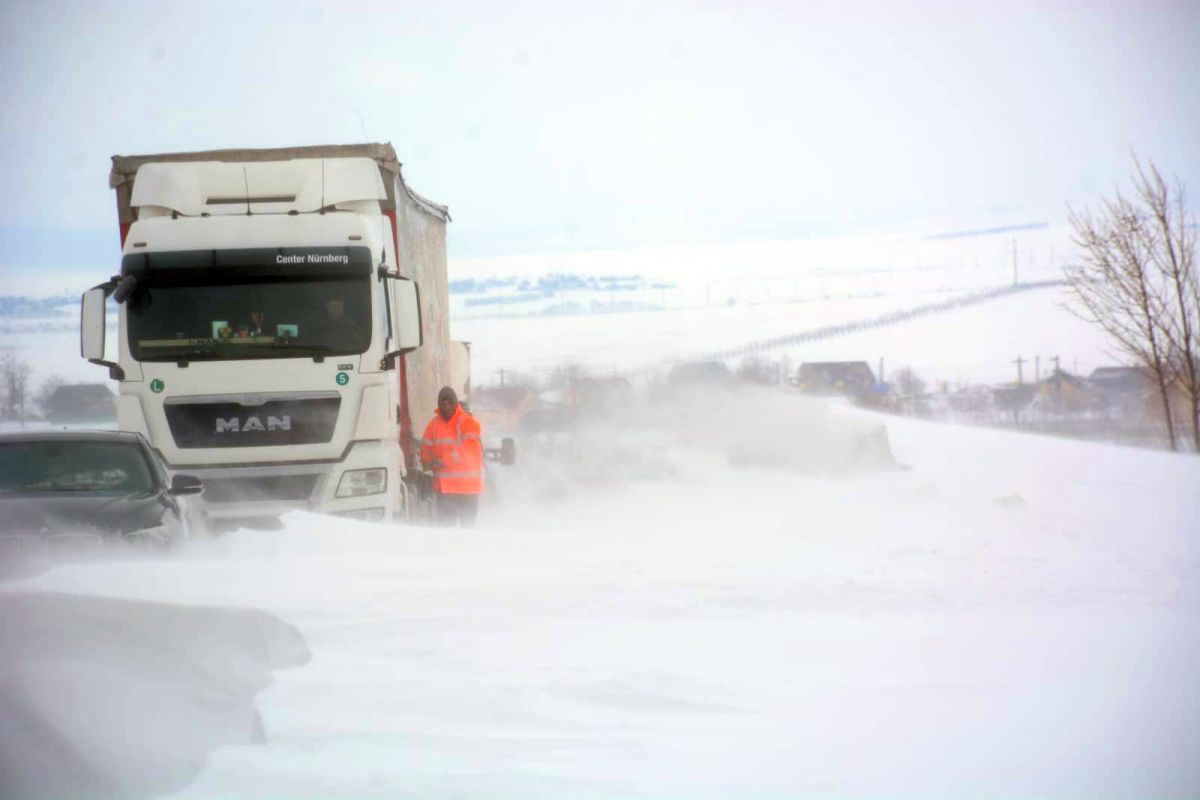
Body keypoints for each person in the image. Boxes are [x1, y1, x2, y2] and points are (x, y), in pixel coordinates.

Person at [419, 386, 484, 526]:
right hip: (446, 490)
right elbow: (426, 447)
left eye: (449, 403)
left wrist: (445, 460)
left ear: (455, 402)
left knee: (467, 530)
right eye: (443, 404)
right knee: (447, 530)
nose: (447, 407)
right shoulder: (434, 425)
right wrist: (427, 462)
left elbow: (471, 449)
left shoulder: (468, 422)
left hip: (468, 489)